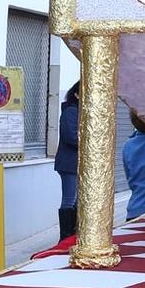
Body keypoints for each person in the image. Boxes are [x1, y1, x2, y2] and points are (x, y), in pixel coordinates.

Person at [54, 81, 81, 240]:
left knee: (78, 199)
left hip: (77, 163)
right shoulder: (70, 111)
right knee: (69, 199)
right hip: (69, 163)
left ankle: (74, 234)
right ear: (76, 94)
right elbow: (71, 137)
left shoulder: (80, 111)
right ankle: (65, 236)